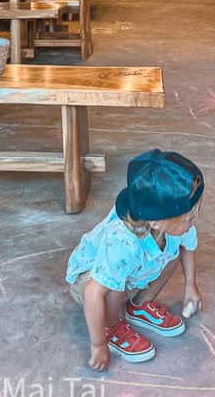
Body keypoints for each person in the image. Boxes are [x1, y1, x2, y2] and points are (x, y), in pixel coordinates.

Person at [66, 148, 204, 371]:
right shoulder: (123, 242)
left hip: (128, 272)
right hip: (87, 279)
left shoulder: (169, 224)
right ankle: (112, 327)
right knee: (115, 289)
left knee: (172, 252)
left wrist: (191, 286)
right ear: (156, 222)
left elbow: (188, 246)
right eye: (188, 218)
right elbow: (93, 292)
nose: (193, 220)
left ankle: (139, 305)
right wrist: (98, 344)